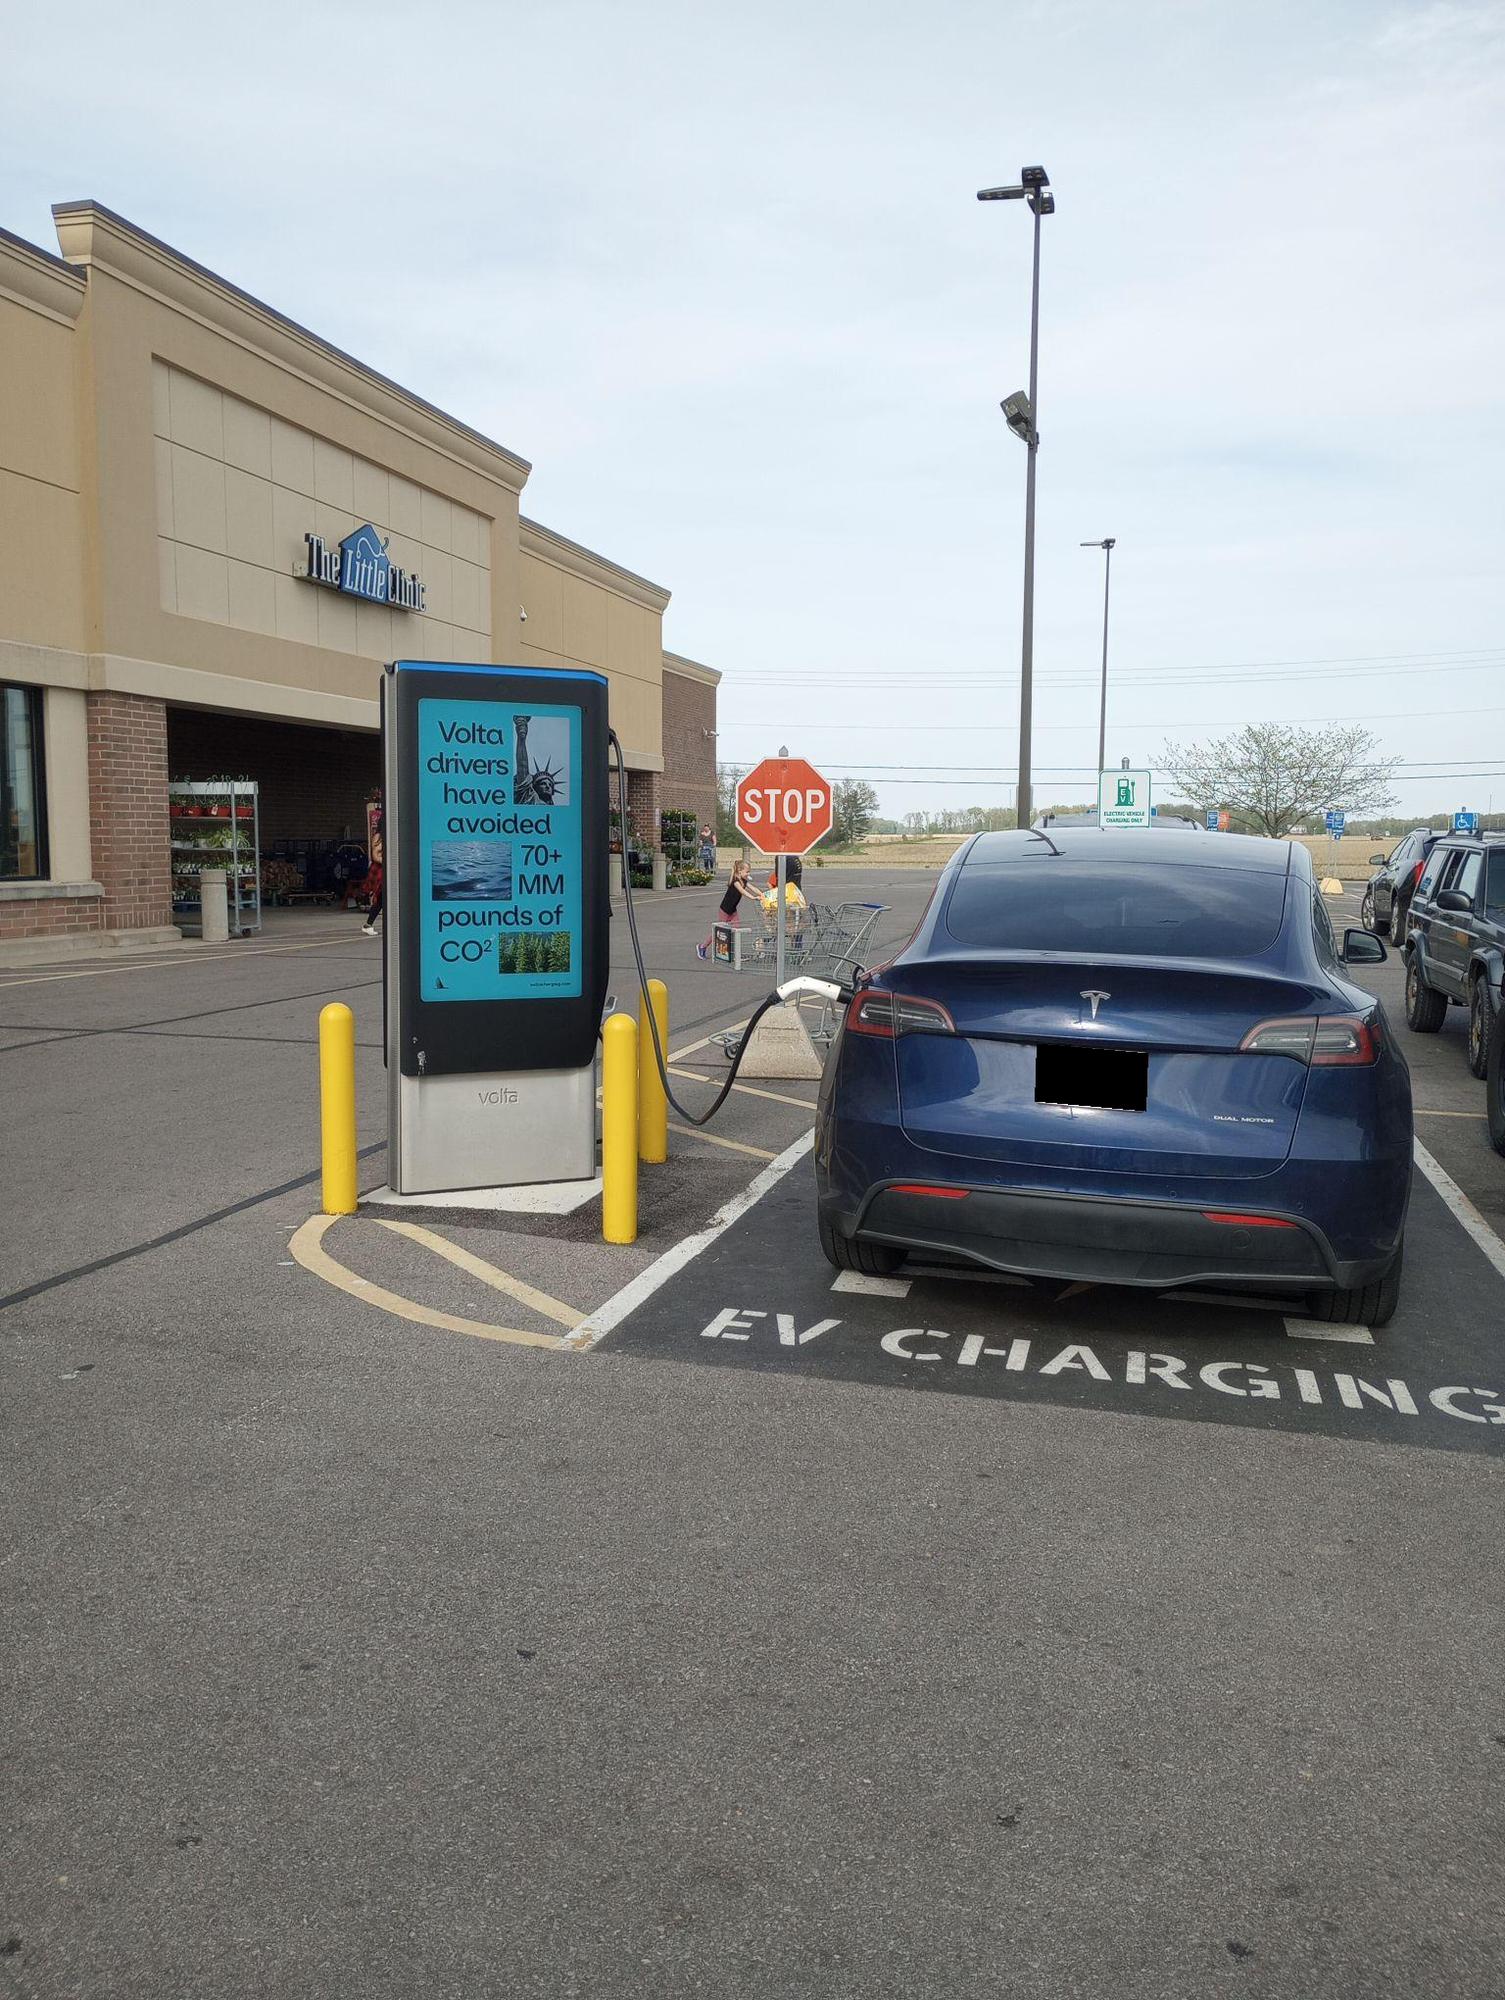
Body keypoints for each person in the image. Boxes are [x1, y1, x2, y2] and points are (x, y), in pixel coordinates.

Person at [696, 859, 752, 960]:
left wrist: (762, 894)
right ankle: (702, 946)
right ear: (740, 871)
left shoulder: (744, 881)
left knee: (736, 930)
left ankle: (735, 953)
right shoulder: (735, 882)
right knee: (719, 931)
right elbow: (743, 892)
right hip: (725, 910)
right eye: (747, 871)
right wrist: (753, 897)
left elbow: (753, 888)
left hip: (733, 911)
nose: (749, 874)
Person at [360, 817, 384, 936]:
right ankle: (368, 924)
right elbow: (375, 856)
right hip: (379, 869)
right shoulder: (378, 836)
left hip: (384, 869)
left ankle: (368, 924)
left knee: (382, 899)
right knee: (381, 897)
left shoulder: (388, 836)